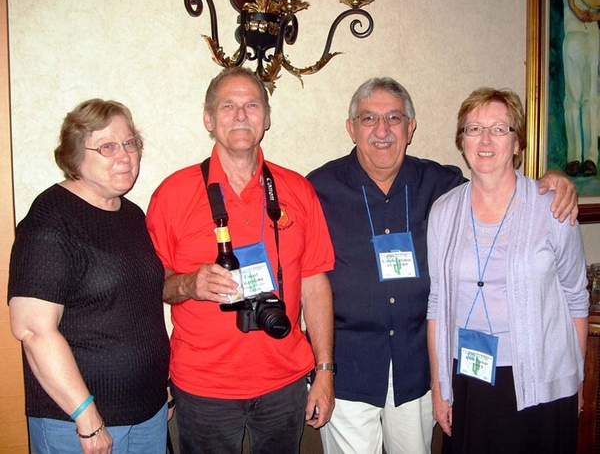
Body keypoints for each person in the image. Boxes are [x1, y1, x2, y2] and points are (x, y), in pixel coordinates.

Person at [306, 77, 578, 454]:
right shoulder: (317, 190)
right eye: (369, 119)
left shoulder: (442, 184)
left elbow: (497, 179)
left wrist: (557, 178)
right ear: (351, 128)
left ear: (411, 127)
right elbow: (306, 278)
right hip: (349, 370)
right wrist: (322, 370)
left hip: (416, 369)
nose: (382, 131)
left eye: (395, 118)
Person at [145, 67, 335, 454]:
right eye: (227, 106)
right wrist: (188, 284)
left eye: (252, 105)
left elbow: (316, 285)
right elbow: (152, 285)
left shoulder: (297, 189)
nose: (241, 115)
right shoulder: (173, 194)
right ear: (208, 119)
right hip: (203, 386)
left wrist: (325, 371)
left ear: (266, 118)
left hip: (285, 380)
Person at [427, 87, 588, 454]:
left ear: (517, 144)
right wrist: (440, 387)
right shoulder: (443, 212)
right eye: (474, 129)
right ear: (461, 140)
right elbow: (437, 303)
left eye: (499, 129)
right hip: (469, 377)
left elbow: (576, 297)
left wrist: (575, 378)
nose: (485, 139)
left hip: (543, 381)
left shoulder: (553, 207)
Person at [8, 99, 171, 454]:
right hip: (78, 423)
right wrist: (87, 418)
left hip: (149, 411)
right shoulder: (51, 220)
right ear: (74, 155)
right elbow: (33, 330)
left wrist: (161, 387)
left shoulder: (131, 215)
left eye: (131, 143)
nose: (125, 156)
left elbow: (138, 310)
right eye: (107, 146)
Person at [563, 0, 600, 177]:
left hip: (593, 34)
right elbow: (572, 5)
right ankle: (574, 158)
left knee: (591, 97)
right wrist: (576, 10)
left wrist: (594, 17)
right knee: (572, 98)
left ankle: (591, 159)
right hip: (573, 34)